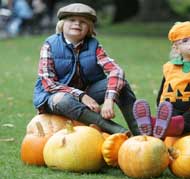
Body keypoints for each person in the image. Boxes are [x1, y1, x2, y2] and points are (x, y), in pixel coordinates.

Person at [33, 3, 140, 136]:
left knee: (120, 83)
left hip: (87, 93)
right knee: (63, 100)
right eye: (72, 20)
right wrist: (81, 96)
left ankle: (141, 134)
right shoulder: (50, 45)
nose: (77, 24)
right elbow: (49, 83)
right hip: (54, 98)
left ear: (89, 27)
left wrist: (109, 99)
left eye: (83, 22)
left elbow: (116, 71)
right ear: (62, 24)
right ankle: (116, 130)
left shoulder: (93, 45)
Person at [133, 21, 190, 142]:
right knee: (170, 115)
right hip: (172, 108)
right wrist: (160, 108)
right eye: (185, 41)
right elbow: (163, 91)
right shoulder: (169, 67)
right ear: (176, 48)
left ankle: (154, 125)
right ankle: (158, 125)